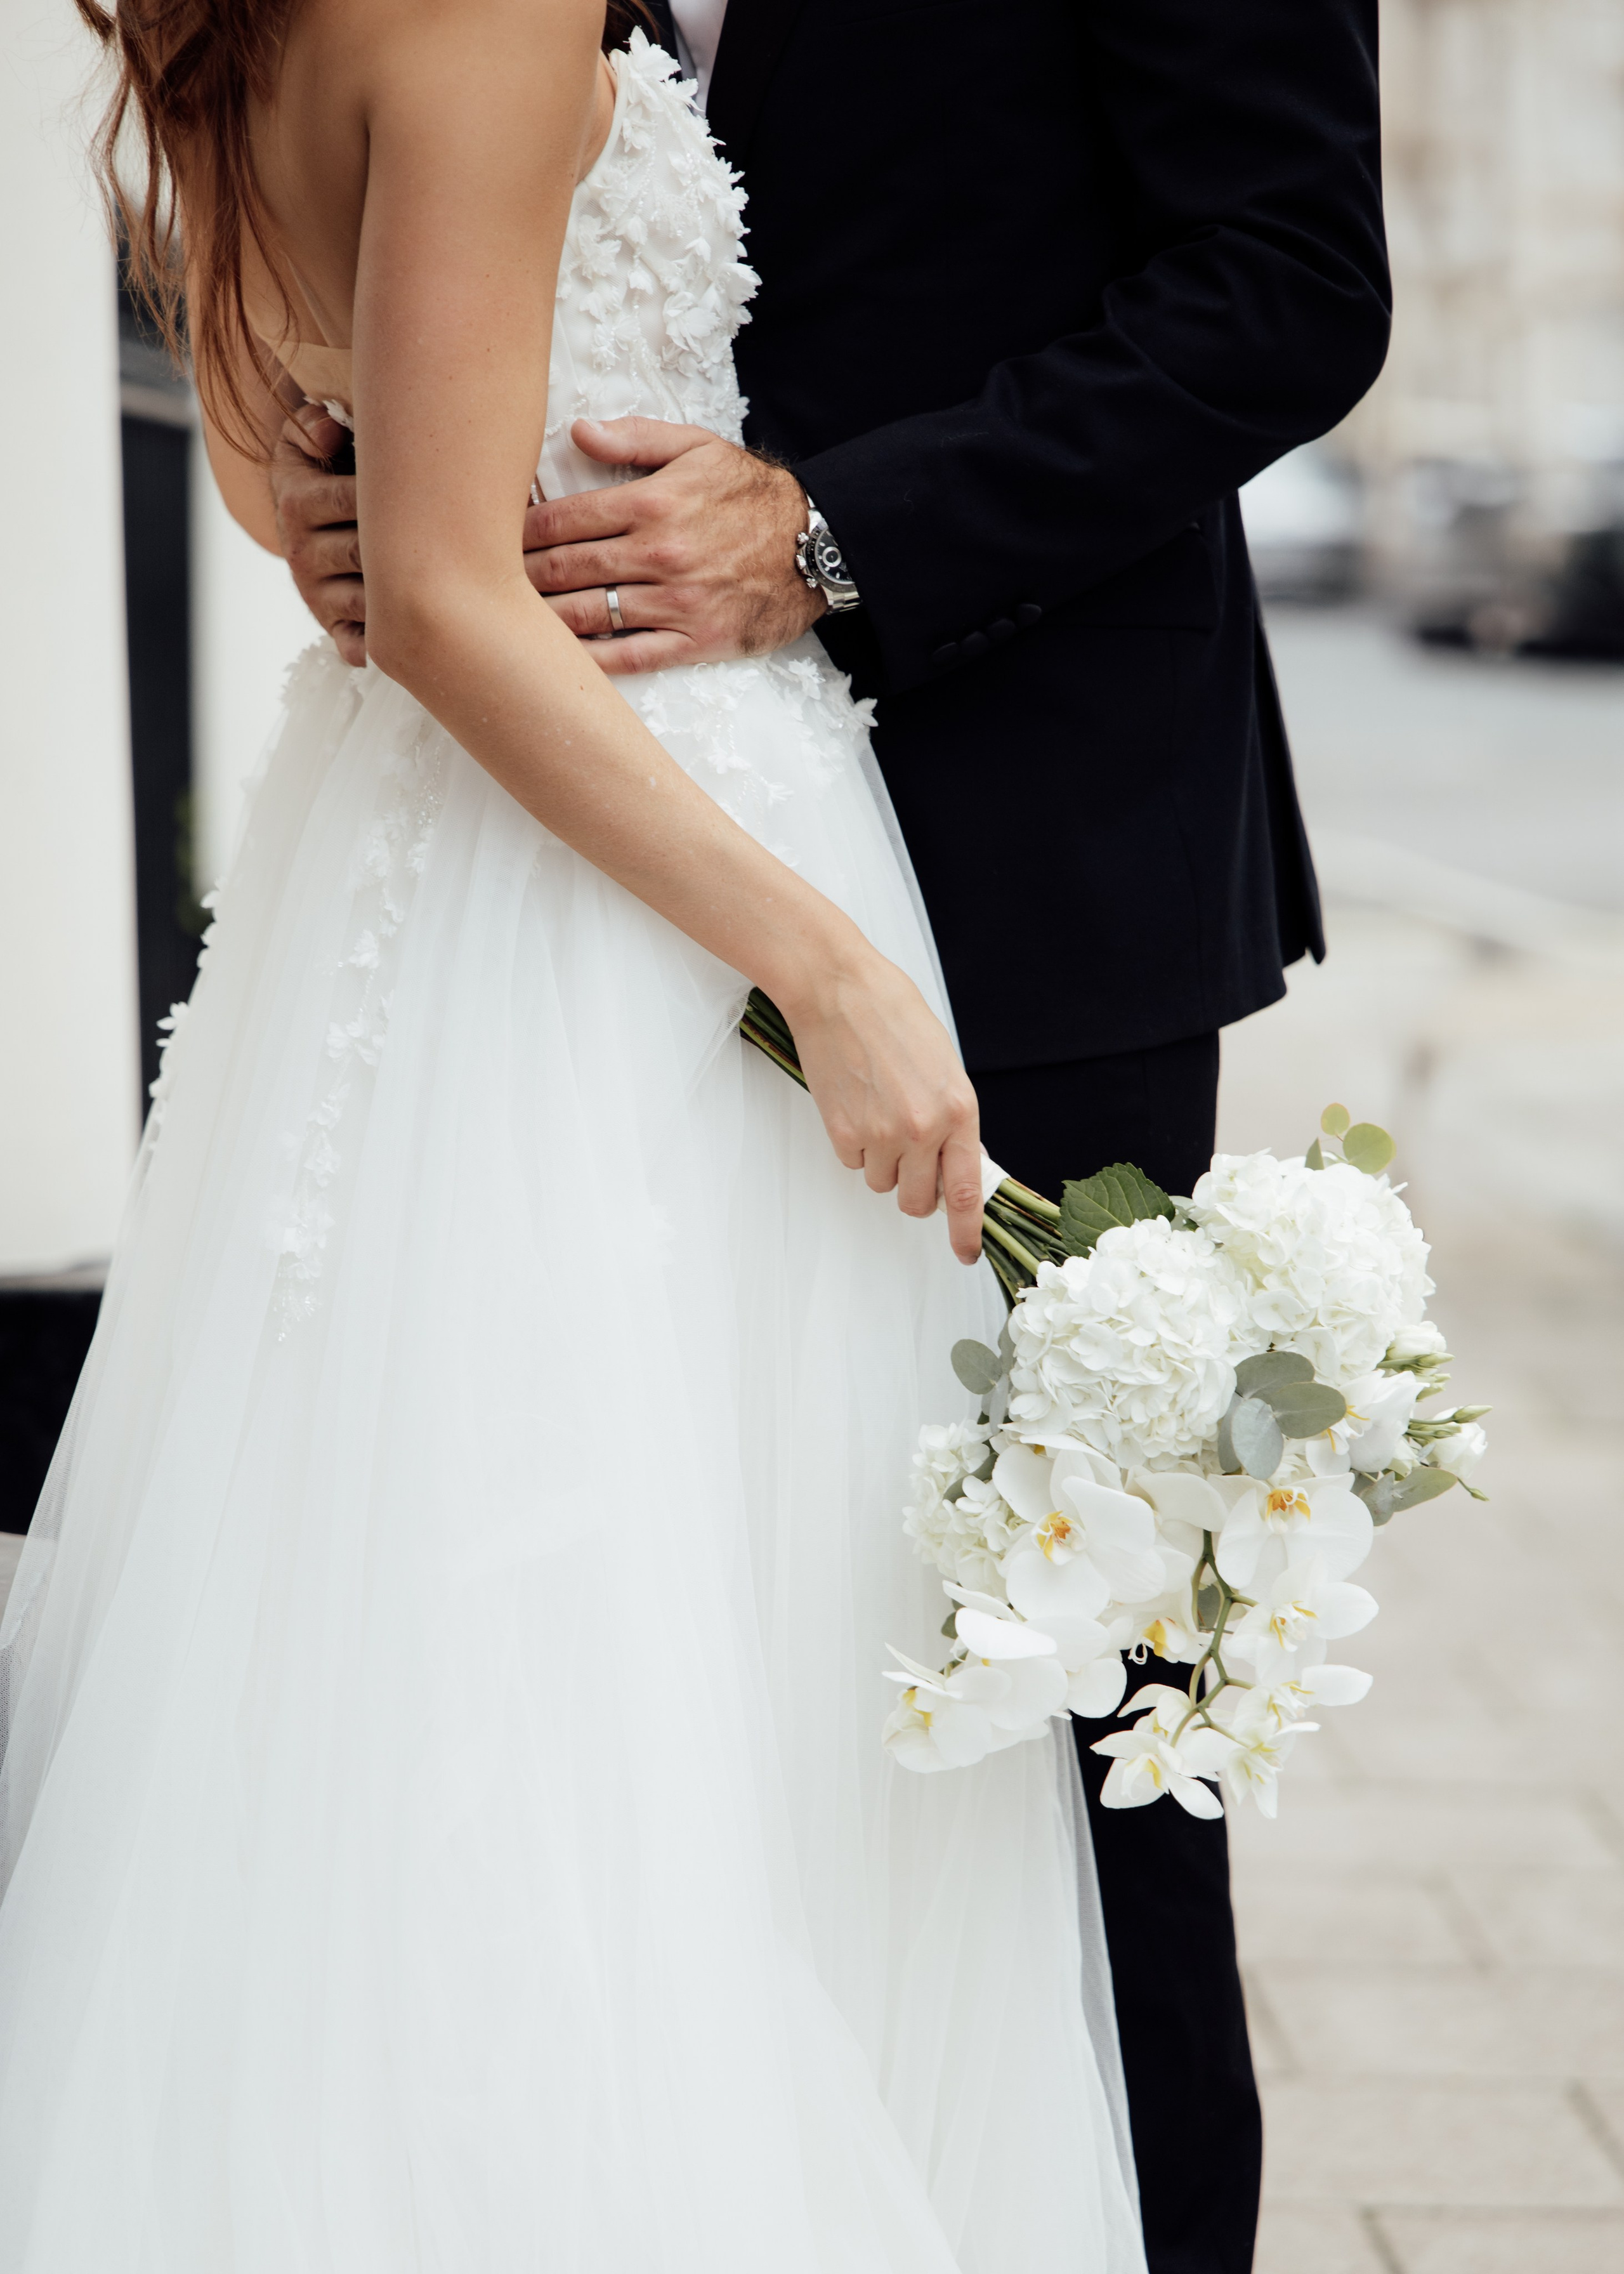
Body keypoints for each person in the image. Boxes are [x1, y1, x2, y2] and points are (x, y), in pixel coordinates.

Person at [0, 2, 1149, 2268]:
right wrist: (823, 970)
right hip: (622, 888)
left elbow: (283, 463)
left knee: (438, 1621)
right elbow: (438, 590)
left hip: (404, 886)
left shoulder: (236, 35)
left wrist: (370, 539)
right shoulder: (485, 11)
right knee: (655, 1665)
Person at [270, 4, 1392, 2268]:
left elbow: (1290, 280)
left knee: (1069, 1711)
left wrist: (838, 537)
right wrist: (362, 485)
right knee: (647, 1657)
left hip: (1031, 851)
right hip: (565, 884)